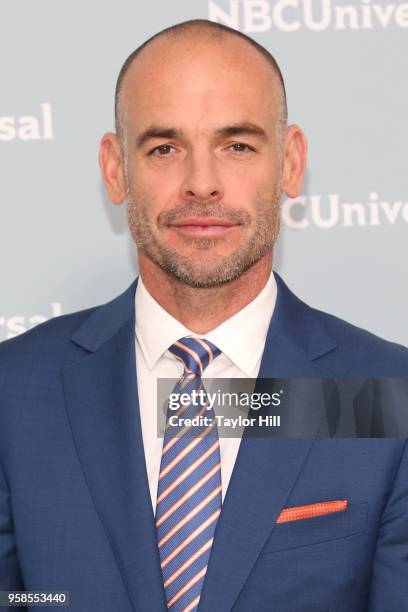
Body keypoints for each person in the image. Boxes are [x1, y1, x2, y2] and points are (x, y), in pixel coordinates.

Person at [0, 18, 407, 612]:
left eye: (237, 145)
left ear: (291, 162)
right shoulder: (14, 392)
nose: (201, 184)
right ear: (115, 169)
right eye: (165, 147)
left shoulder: (385, 396)